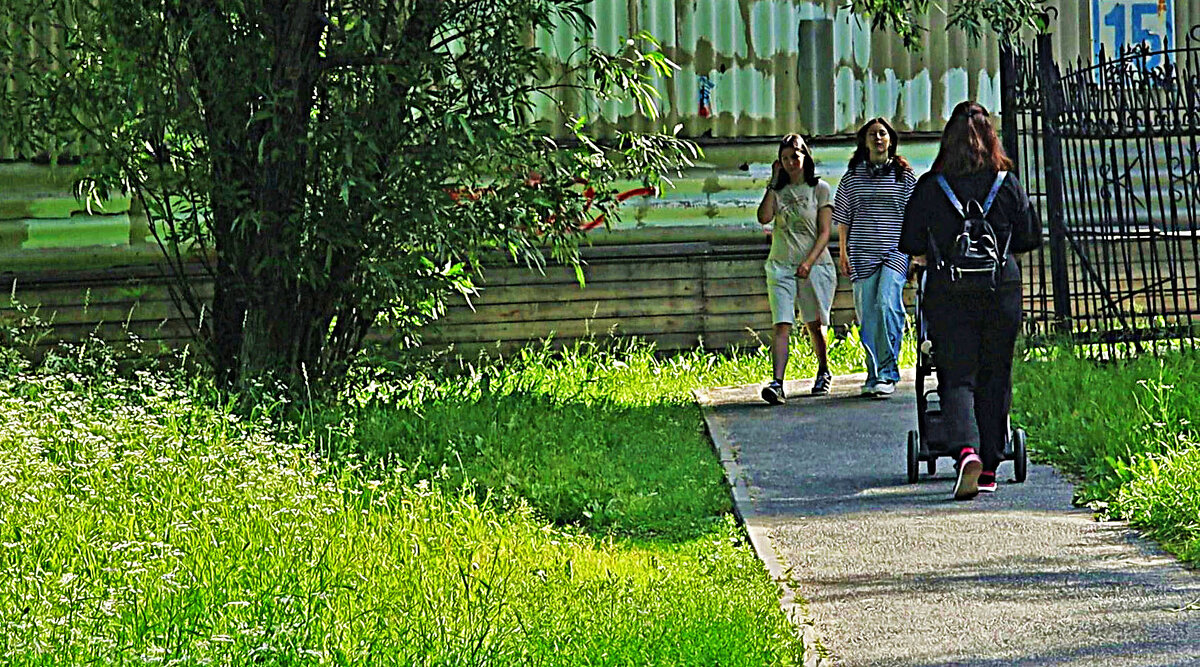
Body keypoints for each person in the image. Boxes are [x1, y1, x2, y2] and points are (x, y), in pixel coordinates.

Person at [899, 101, 1042, 500]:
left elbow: (909, 241)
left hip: (949, 292)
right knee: (996, 375)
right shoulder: (1006, 182)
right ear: (991, 138)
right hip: (1001, 292)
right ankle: (991, 467)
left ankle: (965, 452)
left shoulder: (931, 185)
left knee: (956, 374)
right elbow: (1030, 237)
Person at [833, 118, 916, 398]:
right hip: (861, 252)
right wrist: (842, 252)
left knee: (886, 305)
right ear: (865, 141)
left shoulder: (904, 175)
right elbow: (843, 217)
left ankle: (889, 372)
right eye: (872, 134)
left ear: (891, 139)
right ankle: (874, 372)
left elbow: (915, 216)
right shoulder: (852, 177)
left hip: (895, 251)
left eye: (882, 134)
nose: (878, 138)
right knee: (867, 314)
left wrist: (916, 254)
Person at [757, 133, 837, 405]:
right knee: (782, 323)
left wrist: (809, 262)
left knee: (814, 324)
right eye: (785, 158)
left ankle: (823, 369)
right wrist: (772, 181)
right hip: (781, 265)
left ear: (806, 157)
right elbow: (764, 218)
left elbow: (825, 233)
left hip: (812, 266)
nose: (791, 162)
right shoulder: (778, 192)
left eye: (795, 156)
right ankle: (777, 383)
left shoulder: (820, 189)